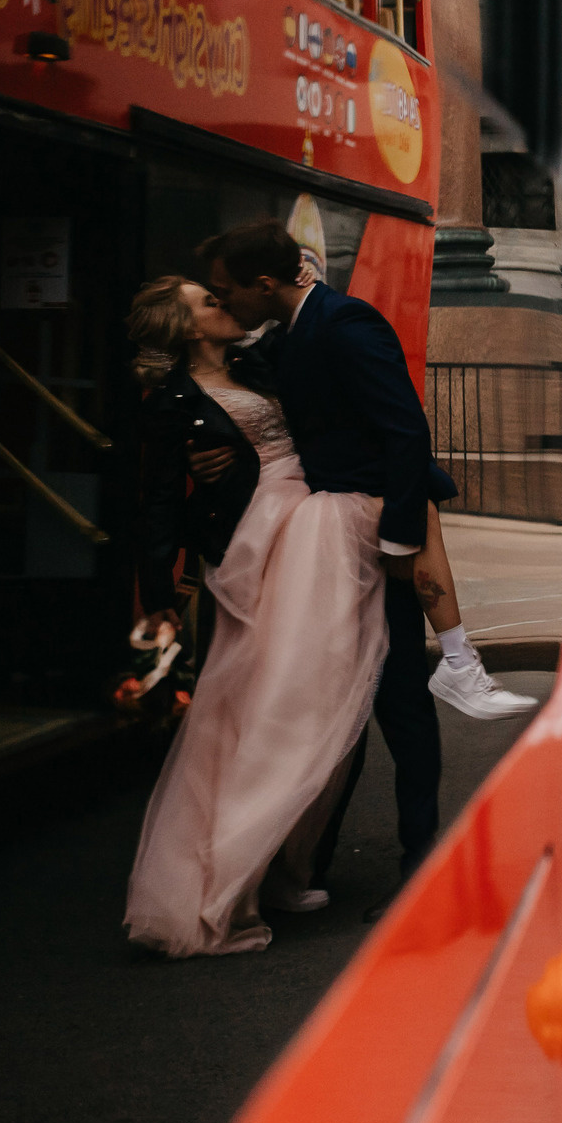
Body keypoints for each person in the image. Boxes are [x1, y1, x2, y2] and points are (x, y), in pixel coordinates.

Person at [198, 222, 514, 919]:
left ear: (265, 285)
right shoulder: (284, 334)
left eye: (228, 293)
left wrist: (399, 540)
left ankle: (423, 858)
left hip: (370, 537)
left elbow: (405, 431)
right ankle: (312, 859)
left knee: (399, 703)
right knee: (329, 700)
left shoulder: (346, 323)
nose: (226, 305)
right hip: (323, 542)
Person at [120, 275, 385, 955]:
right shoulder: (172, 402)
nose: (223, 305)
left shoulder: (262, 359)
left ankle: (280, 867)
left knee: (312, 697)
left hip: (311, 533)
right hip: (249, 553)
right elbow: (155, 502)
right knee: (248, 710)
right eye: (207, 302)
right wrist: (161, 598)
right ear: (186, 329)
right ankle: (220, 887)